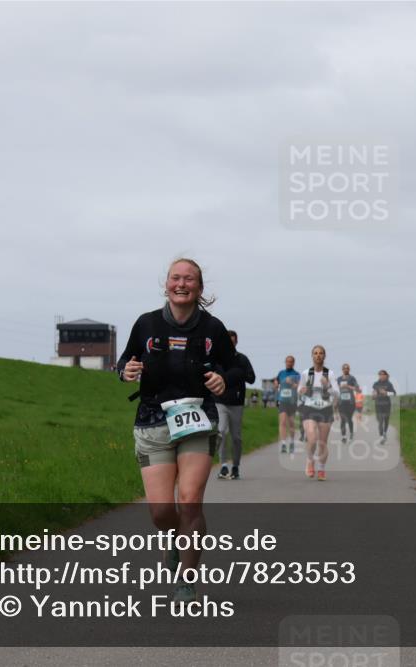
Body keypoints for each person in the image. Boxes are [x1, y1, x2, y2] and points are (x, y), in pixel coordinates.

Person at [117, 258, 242, 603]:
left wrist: (222, 379)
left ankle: (186, 581)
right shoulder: (146, 324)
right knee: (161, 512)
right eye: (175, 278)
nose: (181, 284)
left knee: (189, 500)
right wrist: (126, 370)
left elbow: (237, 369)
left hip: (198, 418)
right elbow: (124, 360)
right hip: (153, 419)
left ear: (200, 288)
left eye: (189, 279)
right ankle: (173, 539)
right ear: (166, 284)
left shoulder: (213, 329)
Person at [217, 330, 255, 481]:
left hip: (236, 403)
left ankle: (236, 467)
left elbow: (251, 378)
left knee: (236, 437)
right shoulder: (216, 359)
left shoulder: (242, 359)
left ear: (236, 342)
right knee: (221, 432)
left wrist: (240, 373)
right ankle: (223, 465)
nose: (230, 344)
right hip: (220, 402)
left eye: (232, 342)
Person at [299, 345, 336, 481]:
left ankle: (321, 468)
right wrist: (301, 390)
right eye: (315, 353)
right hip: (309, 408)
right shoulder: (305, 373)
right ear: (312, 356)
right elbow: (299, 389)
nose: (318, 355)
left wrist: (327, 385)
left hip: (325, 408)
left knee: (322, 442)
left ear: (324, 356)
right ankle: (310, 460)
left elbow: (336, 392)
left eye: (321, 353)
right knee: (312, 438)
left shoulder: (329, 374)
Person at [273, 356, 300, 454]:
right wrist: (276, 383)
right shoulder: (281, 373)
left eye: (291, 362)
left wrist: (293, 383)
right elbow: (276, 381)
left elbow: (300, 386)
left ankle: (292, 442)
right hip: (282, 400)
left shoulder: (296, 374)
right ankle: (284, 444)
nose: (289, 363)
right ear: (285, 362)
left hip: (292, 401)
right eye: (287, 362)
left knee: (291, 423)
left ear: (294, 363)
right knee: (283, 422)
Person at [335, 363, 360, 443]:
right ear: (342, 370)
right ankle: (344, 436)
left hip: (350, 402)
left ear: (349, 369)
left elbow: (357, 389)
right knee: (342, 419)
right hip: (341, 402)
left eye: (347, 368)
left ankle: (351, 433)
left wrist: (349, 387)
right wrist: (340, 387)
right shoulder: (338, 379)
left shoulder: (352, 378)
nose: (346, 369)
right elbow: (335, 389)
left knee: (349, 419)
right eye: (344, 368)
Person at [372, 369, 397, 444]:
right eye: (380, 374)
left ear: (386, 375)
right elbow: (374, 392)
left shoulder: (389, 384)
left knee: (386, 420)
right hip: (378, 404)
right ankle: (381, 436)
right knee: (380, 421)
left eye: (383, 374)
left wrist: (386, 392)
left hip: (386, 405)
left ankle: (385, 433)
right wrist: (373, 395)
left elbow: (394, 393)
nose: (381, 376)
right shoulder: (376, 384)